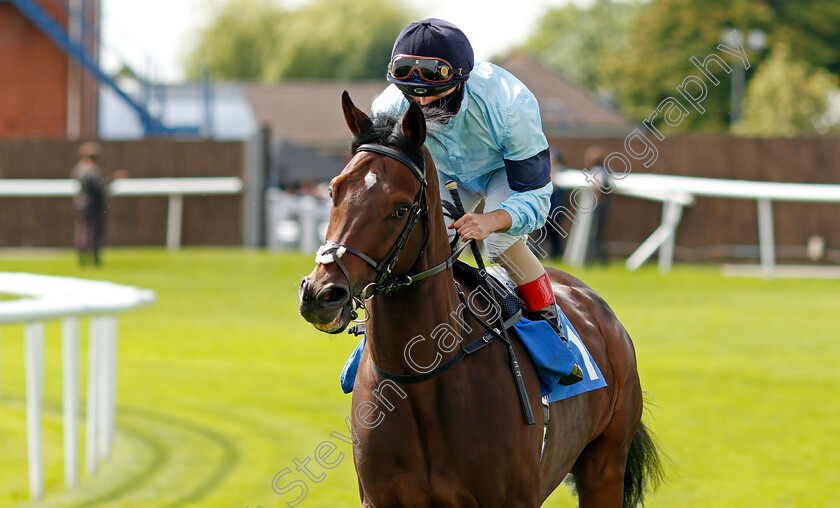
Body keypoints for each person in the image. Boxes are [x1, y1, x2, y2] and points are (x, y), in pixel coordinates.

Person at [372, 19, 574, 338]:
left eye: (435, 94)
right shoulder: (386, 108)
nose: (423, 104)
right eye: (413, 96)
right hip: (442, 171)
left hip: (502, 169)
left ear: (462, 80)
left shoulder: (511, 105)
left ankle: (550, 327)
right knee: (420, 241)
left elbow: (536, 197)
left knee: (500, 243)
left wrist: (491, 220)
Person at [71, 142, 120, 266]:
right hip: (93, 205)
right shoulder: (92, 170)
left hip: (81, 204)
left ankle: (81, 256)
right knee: (94, 231)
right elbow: (100, 186)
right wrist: (114, 178)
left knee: (82, 230)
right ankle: (94, 258)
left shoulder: (78, 168)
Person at [583, 146, 611, 266]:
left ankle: (591, 260)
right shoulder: (606, 171)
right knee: (600, 233)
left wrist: (597, 198)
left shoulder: (596, 170)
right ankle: (602, 259)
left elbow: (597, 185)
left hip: (599, 204)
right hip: (605, 204)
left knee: (595, 233)